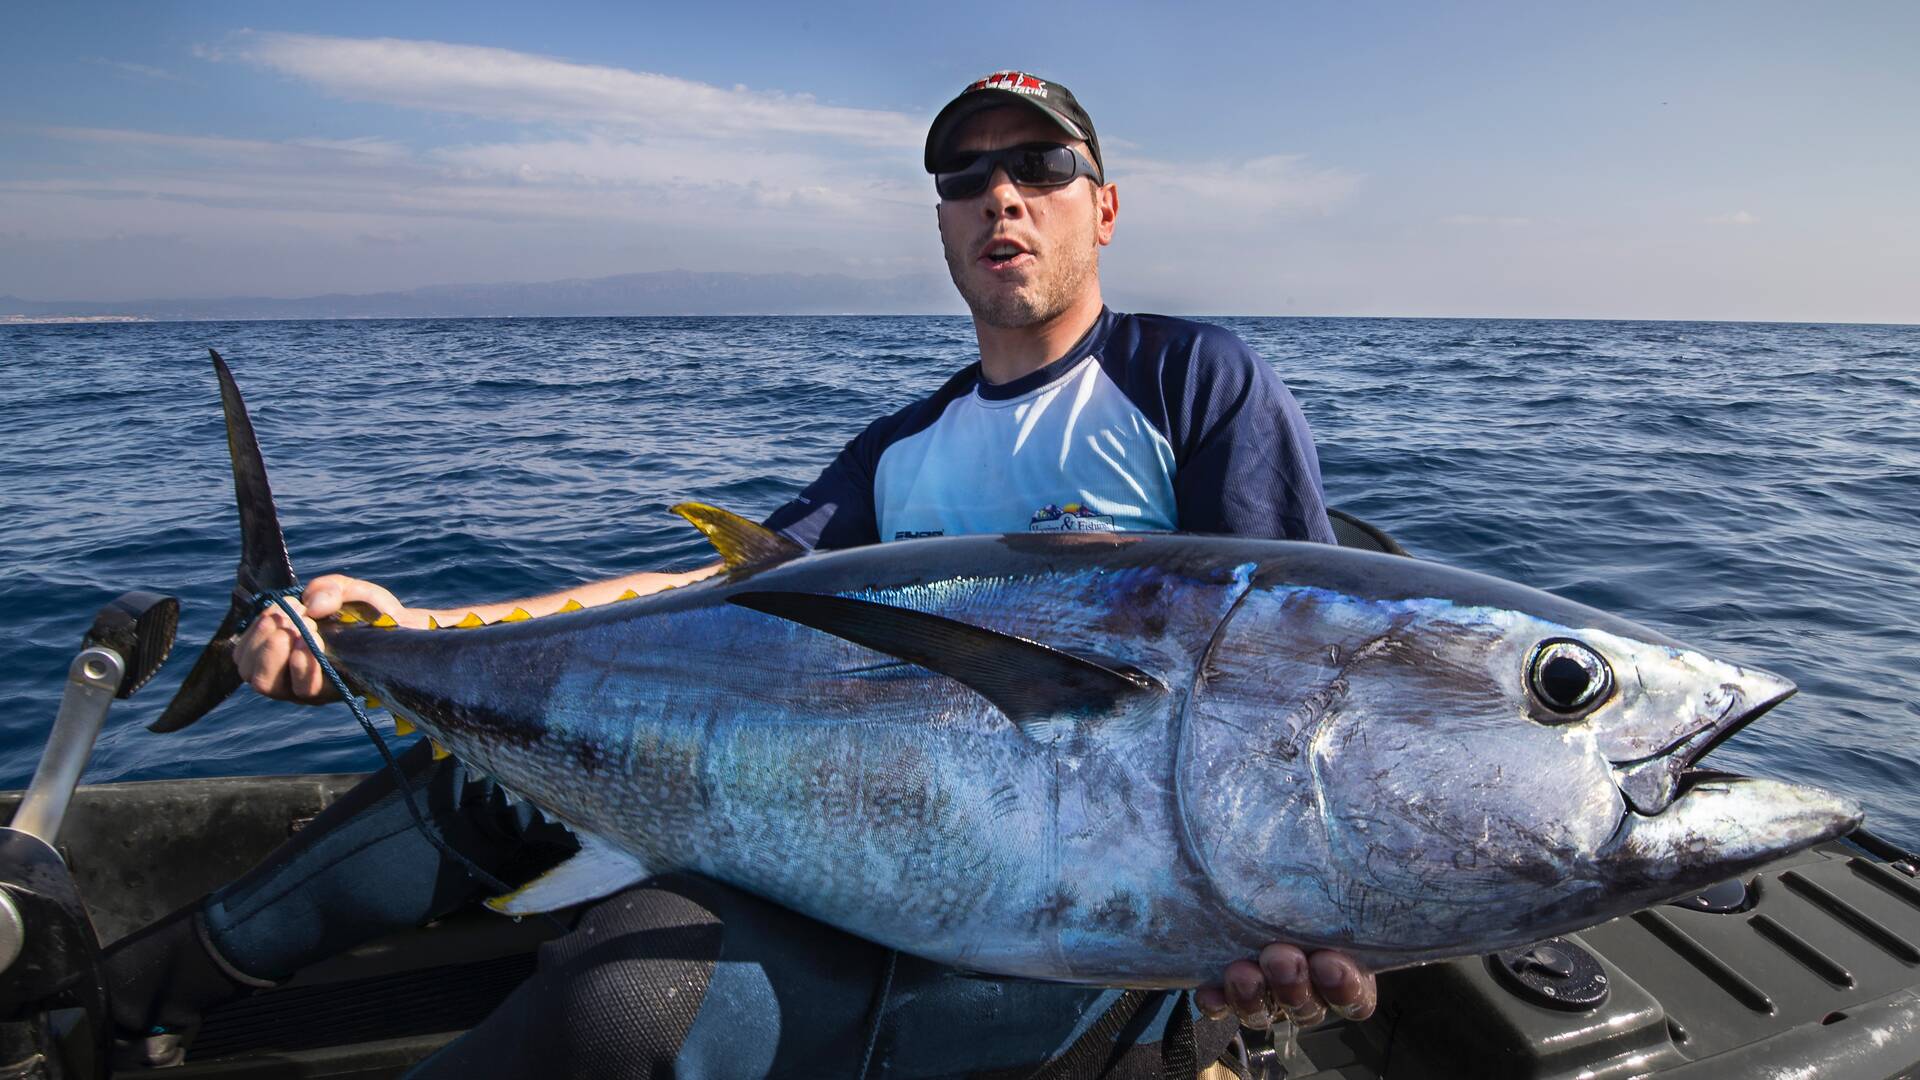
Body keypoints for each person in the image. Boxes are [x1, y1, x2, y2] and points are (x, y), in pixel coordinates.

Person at [105, 71, 1376, 1076]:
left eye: (1042, 167)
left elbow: (1294, 674)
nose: (1003, 197)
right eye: (965, 176)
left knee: (621, 999)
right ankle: (117, 998)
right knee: (476, 786)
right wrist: (409, 624)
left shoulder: (1193, 382)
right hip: (850, 832)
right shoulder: (898, 451)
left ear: (1103, 206)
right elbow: (712, 596)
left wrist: (1336, 906)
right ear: (939, 221)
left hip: (1054, 944)